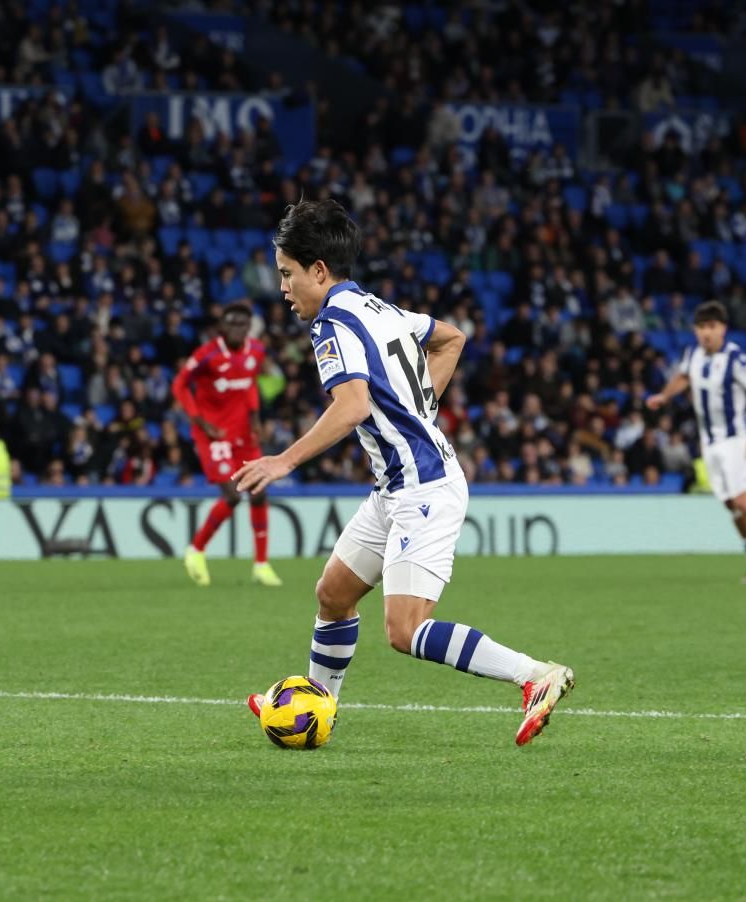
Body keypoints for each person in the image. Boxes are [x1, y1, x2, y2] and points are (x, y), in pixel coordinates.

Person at [233, 199, 575, 746]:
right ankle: (317, 708)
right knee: (333, 594)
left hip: (425, 488)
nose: (282, 287)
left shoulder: (332, 325)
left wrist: (284, 460)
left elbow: (351, 408)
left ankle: (535, 676)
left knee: (405, 629)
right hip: (395, 486)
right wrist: (419, 409)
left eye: (287, 274)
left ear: (318, 271)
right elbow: (452, 337)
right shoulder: (377, 307)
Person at [646, 300, 746, 583]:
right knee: (730, 504)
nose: (706, 333)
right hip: (709, 443)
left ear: (723, 328)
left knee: (742, 499)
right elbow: (683, 377)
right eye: (701, 327)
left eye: (711, 327)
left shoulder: (737, 358)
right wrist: (664, 396)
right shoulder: (693, 355)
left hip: (736, 439)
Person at [171, 303, 281, 588]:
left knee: (258, 492)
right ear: (222, 326)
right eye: (231, 324)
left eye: (242, 325)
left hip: (244, 432)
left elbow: (250, 386)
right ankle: (196, 550)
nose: (237, 329)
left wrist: (256, 419)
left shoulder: (256, 351)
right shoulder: (207, 354)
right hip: (214, 434)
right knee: (233, 495)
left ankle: (261, 565)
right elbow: (180, 385)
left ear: (248, 327)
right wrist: (199, 420)